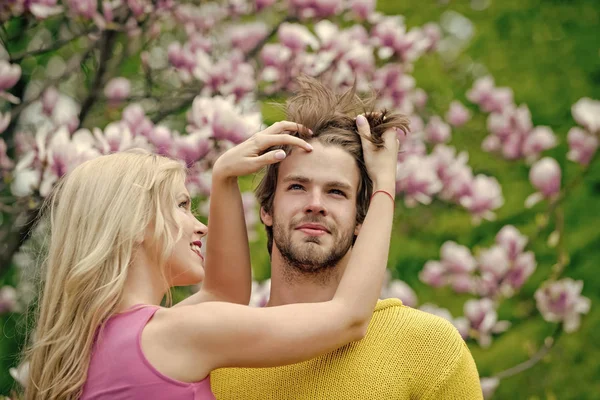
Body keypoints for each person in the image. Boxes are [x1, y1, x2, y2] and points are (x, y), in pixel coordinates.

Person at [22, 112, 401, 399]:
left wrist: (225, 178)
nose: (199, 226)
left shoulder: (99, 338)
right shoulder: (178, 333)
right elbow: (350, 317)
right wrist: (384, 186)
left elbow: (224, 294)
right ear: (136, 224)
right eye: (182, 206)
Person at [211, 77, 484, 399]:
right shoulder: (214, 353)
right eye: (297, 186)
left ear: (361, 219)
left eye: (336, 192)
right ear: (266, 208)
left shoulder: (430, 349)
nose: (315, 204)